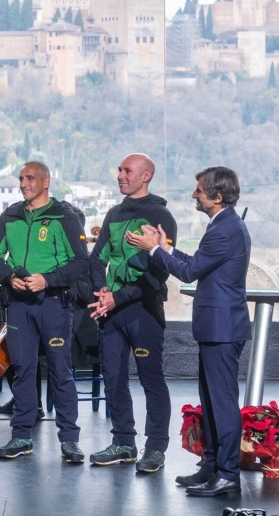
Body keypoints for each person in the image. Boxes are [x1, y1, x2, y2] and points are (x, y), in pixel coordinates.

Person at [127, 166, 250, 497]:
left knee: (222, 404)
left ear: (217, 195)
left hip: (222, 329)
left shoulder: (225, 229)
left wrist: (154, 250)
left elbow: (189, 272)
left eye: (200, 190)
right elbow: (198, 263)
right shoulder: (223, 225)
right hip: (216, 328)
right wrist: (165, 248)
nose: (194, 194)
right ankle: (212, 467)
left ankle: (228, 475)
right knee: (210, 402)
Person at [0, 161, 86, 463]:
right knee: (23, 369)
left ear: (46, 182)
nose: (23, 184)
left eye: (30, 178)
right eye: (21, 179)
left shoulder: (64, 216)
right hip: (18, 306)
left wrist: (48, 280)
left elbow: (80, 263)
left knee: (60, 371)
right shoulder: (11, 215)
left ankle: (69, 440)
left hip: (54, 305)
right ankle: (21, 436)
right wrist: (8, 276)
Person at [86, 154, 177, 473]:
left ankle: (155, 448)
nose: (120, 175)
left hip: (143, 311)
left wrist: (118, 297)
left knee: (151, 379)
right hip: (111, 311)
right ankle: (123, 443)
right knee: (113, 378)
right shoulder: (114, 213)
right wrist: (102, 292)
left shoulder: (161, 216)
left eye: (128, 170)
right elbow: (96, 260)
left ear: (146, 175)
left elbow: (158, 273)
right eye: (120, 170)